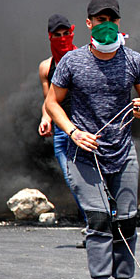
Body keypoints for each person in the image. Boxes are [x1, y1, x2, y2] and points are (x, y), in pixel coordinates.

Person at [45, 0, 140, 279]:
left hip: (122, 152)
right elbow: (53, 102)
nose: (105, 24)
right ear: (89, 23)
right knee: (98, 218)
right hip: (84, 155)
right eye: (99, 19)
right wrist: (73, 132)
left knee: (126, 220)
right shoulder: (72, 62)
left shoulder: (133, 60)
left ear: (118, 23)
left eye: (111, 19)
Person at [38, 14, 88, 246]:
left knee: (88, 179)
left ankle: (96, 228)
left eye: (65, 34)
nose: (61, 38)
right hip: (61, 131)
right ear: (50, 36)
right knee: (72, 180)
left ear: (72, 32)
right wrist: (45, 118)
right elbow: (50, 100)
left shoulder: (84, 58)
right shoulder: (46, 67)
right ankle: (93, 225)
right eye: (56, 35)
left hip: (84, 129)